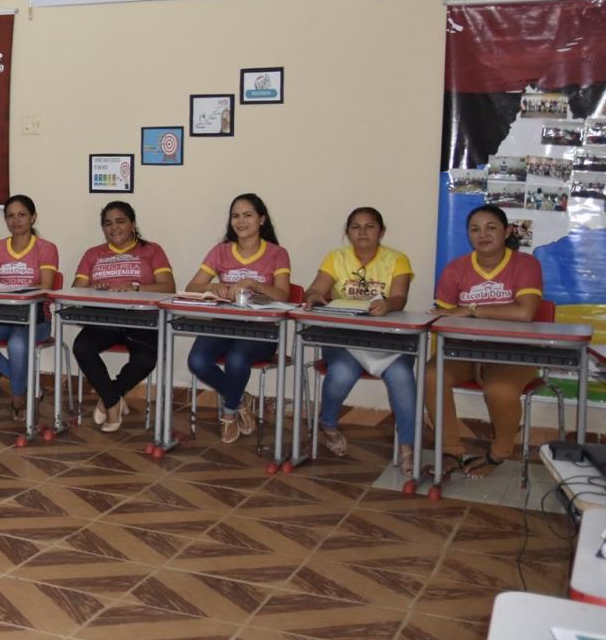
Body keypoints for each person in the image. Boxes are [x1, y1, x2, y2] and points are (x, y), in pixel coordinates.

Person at [423, 203, 544, 479]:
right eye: (475, 229)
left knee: (499, 389)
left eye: (491, 228)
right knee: (432, 374)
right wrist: (474, 353)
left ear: (508, 231)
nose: (483, 235)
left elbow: (525, 313)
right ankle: (450, 450)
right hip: (466, 350)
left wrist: (471, 309)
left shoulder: (526, 264)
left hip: (515, 353)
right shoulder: (455, 269)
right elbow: (444, 320)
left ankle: (498, 454)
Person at [302, 207, 416, 466]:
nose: (362, 232)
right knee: (341, 372)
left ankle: (408, 445)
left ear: (382, 231)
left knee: (401, 375)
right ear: (347, 232)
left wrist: (389, 304)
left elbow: (400, 297)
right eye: (355, 227)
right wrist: (314, 296)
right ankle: (328, 425)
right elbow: (315, 289)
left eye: (370, 226)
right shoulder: (335, 258)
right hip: (343, 338)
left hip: (385, 337)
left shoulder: (398, 259)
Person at [181, 193, 292, 444]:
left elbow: (284, 296)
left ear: (261, 219)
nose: (240, 221)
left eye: (248, 215)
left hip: (261, 329)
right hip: (223, 324)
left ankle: (229, 413)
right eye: (235, 216)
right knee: (197, 360)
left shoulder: (277, 253)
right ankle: (241, 398)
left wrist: (253, 283)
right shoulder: (221, 251)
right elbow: (192, 285)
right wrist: (214, 287)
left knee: (237, 360)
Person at [70, 201, 175, 433]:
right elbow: (74, 290)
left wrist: (136, 288)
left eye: (120, 221)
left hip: (141, 320)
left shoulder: (152, 250)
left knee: (146, 359)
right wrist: (94, 288)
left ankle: (110, 398)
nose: (114, 228)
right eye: (107, 224)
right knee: (82, 347)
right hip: (104, 320)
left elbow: (169, 287)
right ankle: (113, 401)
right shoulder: (93, 254)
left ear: (133, 224)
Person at [0, 195, 58, 422]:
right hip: (2, 315)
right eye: (10, 216)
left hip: (36, 319)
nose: (15, 220)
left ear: (33, 217)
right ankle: (30, 385)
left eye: (22, 215)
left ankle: (18, 396)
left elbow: (46, 287)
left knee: (17, 344)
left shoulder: (46, 248)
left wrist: (12, 291)